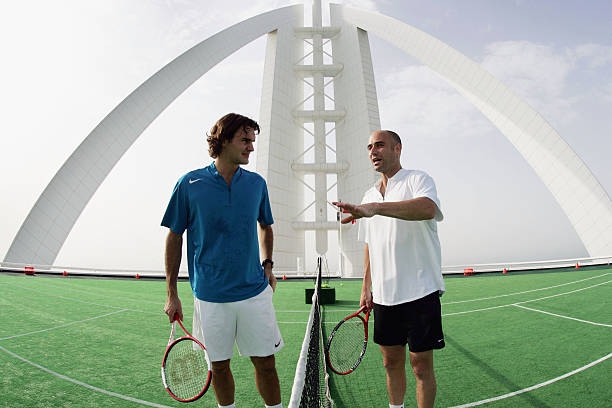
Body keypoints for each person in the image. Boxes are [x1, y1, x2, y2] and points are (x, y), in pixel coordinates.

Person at [162, 113, 284, 408]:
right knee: (218, 366)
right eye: (245, 140)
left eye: (252, 141)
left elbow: (266, 226)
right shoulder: (189, 183)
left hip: (253, 291)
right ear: (224, 140)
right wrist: (171, 294)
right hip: (210, 296)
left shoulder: (256, 184)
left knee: (266, 364)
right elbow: (174, 237)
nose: (251, 147)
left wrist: (268, 266)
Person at [333, 130, 445, 408]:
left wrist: (376, 208)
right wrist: (365, 287)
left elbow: (427, 209)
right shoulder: (368, 194)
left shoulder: (418, 179)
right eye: (369, 147)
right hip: (384, 295)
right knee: (390, 362)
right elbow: (370, 245)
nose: (373, 151)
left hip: (421, 290)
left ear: (397, 148)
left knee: (421, 366)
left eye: (380, 145)